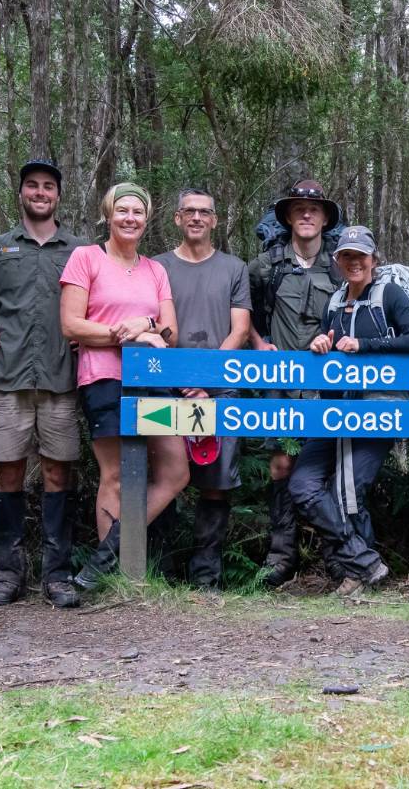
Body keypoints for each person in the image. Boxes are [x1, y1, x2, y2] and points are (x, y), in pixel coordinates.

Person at [59, 183, 189, 590]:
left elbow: (171, 333)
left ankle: (103, 559)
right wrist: (123, 335)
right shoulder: (86, 258)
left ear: (146, 220)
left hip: (154, 382)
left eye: (137, 212)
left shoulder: (155, 270)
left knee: (175, 471)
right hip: (104, 377)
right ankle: (114, 580)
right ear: (109, 215)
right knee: (115, 475)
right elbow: (71, 325)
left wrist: (147, 326)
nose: (130, 218)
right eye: (122, 210)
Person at [0, 159, 85, 609]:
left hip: (60, 379)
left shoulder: (78, 249)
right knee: (9, 472)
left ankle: (57, 575)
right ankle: (7, 573)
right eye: (32, 186)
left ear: (58, 196)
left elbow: (94, 305)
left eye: (48, 187)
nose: (40, 193)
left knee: (58, 472)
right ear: (20, 193)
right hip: (9, 378)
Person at [289, 226, 409, 595]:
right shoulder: (334, 303)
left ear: (373, 260)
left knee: (347, 488)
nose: (354, 262)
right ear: (337, 261)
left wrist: (364, 344)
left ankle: (356, 578)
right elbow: (329, 358)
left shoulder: (389, 293)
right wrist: (321, 344)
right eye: (346, 256)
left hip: (379, 406)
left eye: (361, 256)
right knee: (303, 485)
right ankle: (363, 561)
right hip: (336, 408)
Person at [153, 188, 252, 590]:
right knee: (164, 477)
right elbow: (153, 327)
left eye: (204, 212)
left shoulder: (234, 268)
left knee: (215, 483)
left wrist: (206, 380)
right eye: (189, 211)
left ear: (215, 220)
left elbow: (240, 329)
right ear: (177, 218)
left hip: (219, 389)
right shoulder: (156, 266)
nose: (196, 218)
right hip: (166, 389)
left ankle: (205, 578)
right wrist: (182, 380)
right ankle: (158, 571)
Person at [248, 180, 345, 586]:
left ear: (324, 217)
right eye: (298, 208)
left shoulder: (342, 265)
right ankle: (281, 556)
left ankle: (337, 556)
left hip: (328, 383)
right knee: (283, 465)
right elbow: (246, 312)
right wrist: (258, 344)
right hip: (281, 382)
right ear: (287, 216)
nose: (306, 214)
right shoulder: (265, 266)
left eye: (314, 208)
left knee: (329, 468)